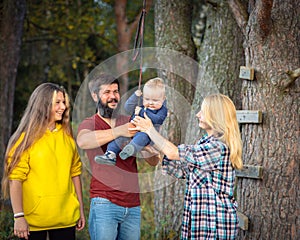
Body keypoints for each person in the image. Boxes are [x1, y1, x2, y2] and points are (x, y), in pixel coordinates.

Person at [132, 94, 243, 239]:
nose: (198, 115)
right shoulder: (205, 144)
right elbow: (184, 170)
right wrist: (151, 150)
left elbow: (173, 153)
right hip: (200, 223)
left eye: (202, 112)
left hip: (215, 225)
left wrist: (149, 129)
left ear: (215, 115)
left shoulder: (217, 148)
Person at [76, 73, 160, 240]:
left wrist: (150, 152)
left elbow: (153, 161)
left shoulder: (130, 120)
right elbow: (83, 141)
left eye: (116, 91)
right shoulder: (89, 123)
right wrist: (119, 131)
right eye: (107, 92)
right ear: (95, 96)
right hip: (104, 203)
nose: (113, 96)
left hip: (133, 205)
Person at [1, 83, 85, 240]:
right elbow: (15, 179)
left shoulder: (67, 138)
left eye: (64, 102)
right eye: (57, 103)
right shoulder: (25, 140)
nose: (63, 107)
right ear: (43, 105)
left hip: (65, 220)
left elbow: (75, 174)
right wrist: (18, 217)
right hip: (32, 221)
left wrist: (80, 209)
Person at [95, 77, 167, 165]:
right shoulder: (141, 103)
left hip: (147, 134)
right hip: (132, 129)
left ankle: (129, 150)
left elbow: (158, 119)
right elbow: (127, 107)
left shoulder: (162, 110)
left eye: (155, 100)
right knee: (119, 138)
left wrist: (142, 111)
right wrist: (135, 96)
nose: (150, 103)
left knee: (141, 138)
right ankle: (110, 154)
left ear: (163, 99)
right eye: (147, 99)